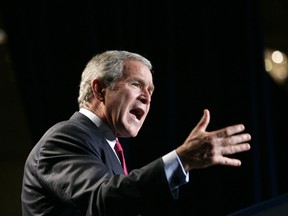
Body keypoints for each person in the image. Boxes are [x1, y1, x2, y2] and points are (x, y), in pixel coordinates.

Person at [21, 50, 251, 216]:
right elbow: (101, 200)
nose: (147, 97)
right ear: (99, 89)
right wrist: (182, 159)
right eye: (136, 84)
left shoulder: (106, 146)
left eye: (150, 90)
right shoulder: (66, 137)